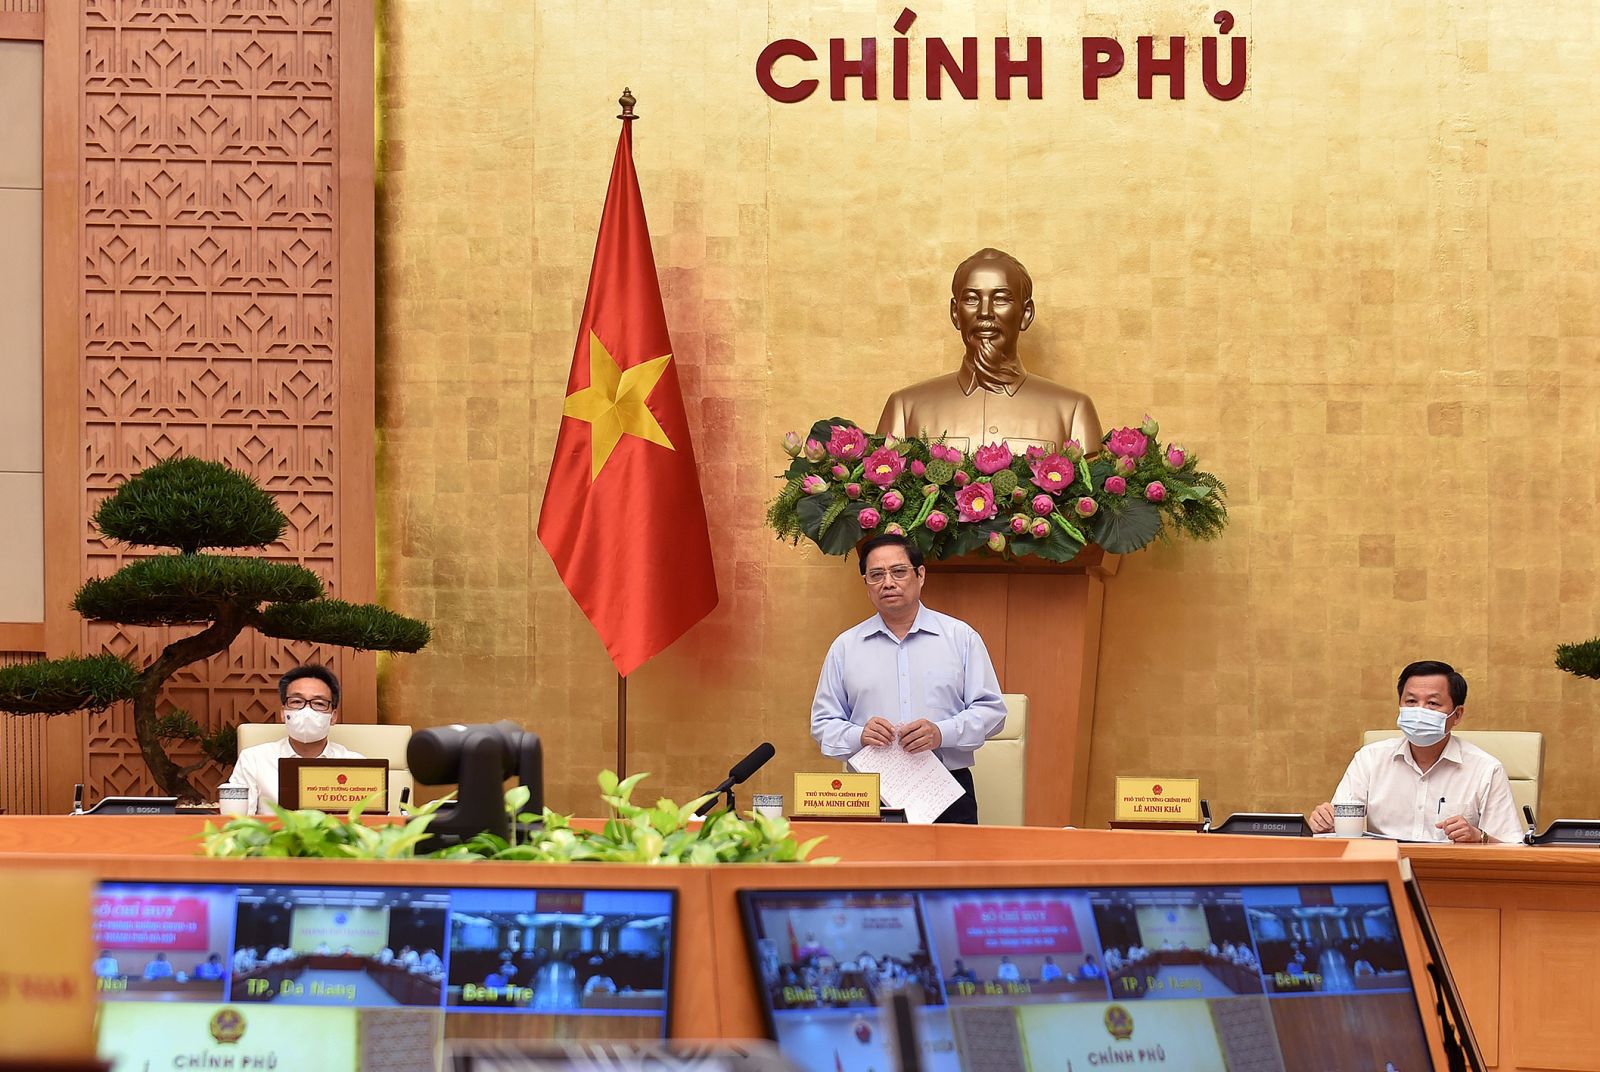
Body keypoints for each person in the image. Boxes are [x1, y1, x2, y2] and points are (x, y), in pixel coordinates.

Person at [811, 534, 1007, 824]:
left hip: (947, 788)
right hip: (868, 792)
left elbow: (992, 712)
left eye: (899, 571)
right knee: (869, 857)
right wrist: (859, 734)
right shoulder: (845, 646)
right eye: (876, 575)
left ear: (920, 575)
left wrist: (941, 732)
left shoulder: (960, 637)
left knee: (952, 857)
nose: (888, 583)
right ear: (866, 583)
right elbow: (823, 723)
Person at [876, 248, 1103, 454]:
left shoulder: (1073, 412)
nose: (985, 312)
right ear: (955, 313)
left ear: (1026, 314)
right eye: (971, 299)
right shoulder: (905, 409)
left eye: (1001, 299)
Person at [1309, 661, 1521, 844]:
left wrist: (1479, 837)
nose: (1420, 711)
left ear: (1457, 715)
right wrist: (1326, 823)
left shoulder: (1486, 769)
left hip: (1452, 873)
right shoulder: (1369, 759)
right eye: (1411, 702)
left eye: (1432, 703)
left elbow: (1512, 847)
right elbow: (1339, 829)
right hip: (1386, 869)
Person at [220, 665, 365, 813]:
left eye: (319, 703)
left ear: (333, 716)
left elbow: (368, 821)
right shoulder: (254, 760)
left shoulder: (357, 765)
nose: (307, 711)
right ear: (283, 713)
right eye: (296, 701)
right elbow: (238, 821)